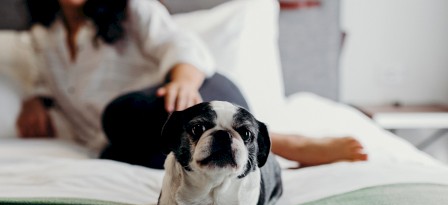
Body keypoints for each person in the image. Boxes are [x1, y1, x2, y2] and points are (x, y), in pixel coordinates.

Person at [17, 0, 367, 169]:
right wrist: (35, 100)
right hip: (129, 137)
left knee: (118, 113)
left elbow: (182, 45)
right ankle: (251, 155)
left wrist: (182, 82)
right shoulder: (43, 39)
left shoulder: (131, 8)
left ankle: (278, 143)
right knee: (116, 149)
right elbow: (41, 81)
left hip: (197, 100)